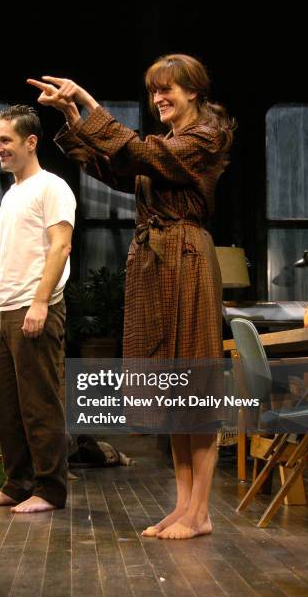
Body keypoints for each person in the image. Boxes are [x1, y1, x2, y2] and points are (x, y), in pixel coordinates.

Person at [28, 54, 235, 536]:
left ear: (195, 94)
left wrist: (87, 100)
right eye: (154, 91)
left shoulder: (206, 136)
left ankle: (200, 512)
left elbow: (144, 156)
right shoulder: (164, 143)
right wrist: (73, 119)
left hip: (184, 257)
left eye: (169, 90)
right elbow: (119, 170)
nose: (159, 98)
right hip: (155, 260)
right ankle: (185, 508)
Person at [0, 104, 76, 513]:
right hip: (3, 311)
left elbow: (61, 246)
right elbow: (5, 258)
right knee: (6, 407)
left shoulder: (52, 187)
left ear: (30, 142)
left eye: (5, 140)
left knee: (40, 403)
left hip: (36, 308)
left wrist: (39, 302)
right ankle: (17, 484)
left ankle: (50, 490)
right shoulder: (12, 194)